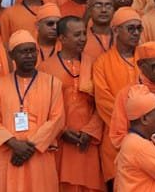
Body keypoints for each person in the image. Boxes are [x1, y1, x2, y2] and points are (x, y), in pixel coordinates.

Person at [0, 30, 65, 192]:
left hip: (39, 155)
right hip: (9, 154)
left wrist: (29, 147)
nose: (29, 56)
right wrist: (14, 144)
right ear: (11, 55)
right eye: (23, 51)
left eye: (32, 51)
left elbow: (57, 119)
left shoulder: (52, 83)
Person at [36, 16, 106, 192]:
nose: (82, 38)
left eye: (84, 33)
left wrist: (90, 131)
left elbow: (102, 103)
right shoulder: (45, 68)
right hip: (60, 141)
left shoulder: (93, 63)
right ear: (62, 38)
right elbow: (41, 107)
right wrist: (62, 130)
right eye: (77, 34)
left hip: (88, 141)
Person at [91, 7, 144, 187]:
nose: (136, 33)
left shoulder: (147, 59)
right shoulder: (102, 63)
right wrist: (135, 126)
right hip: (116, 142)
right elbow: (103, 102)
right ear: (116, 30)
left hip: (148, 141)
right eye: (131, 28)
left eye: (139, 28)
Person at [109, 42, 155, 150]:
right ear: (141, 65)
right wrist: (152, 140)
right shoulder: (126, 95)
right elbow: (118, 138)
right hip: (141, 161)